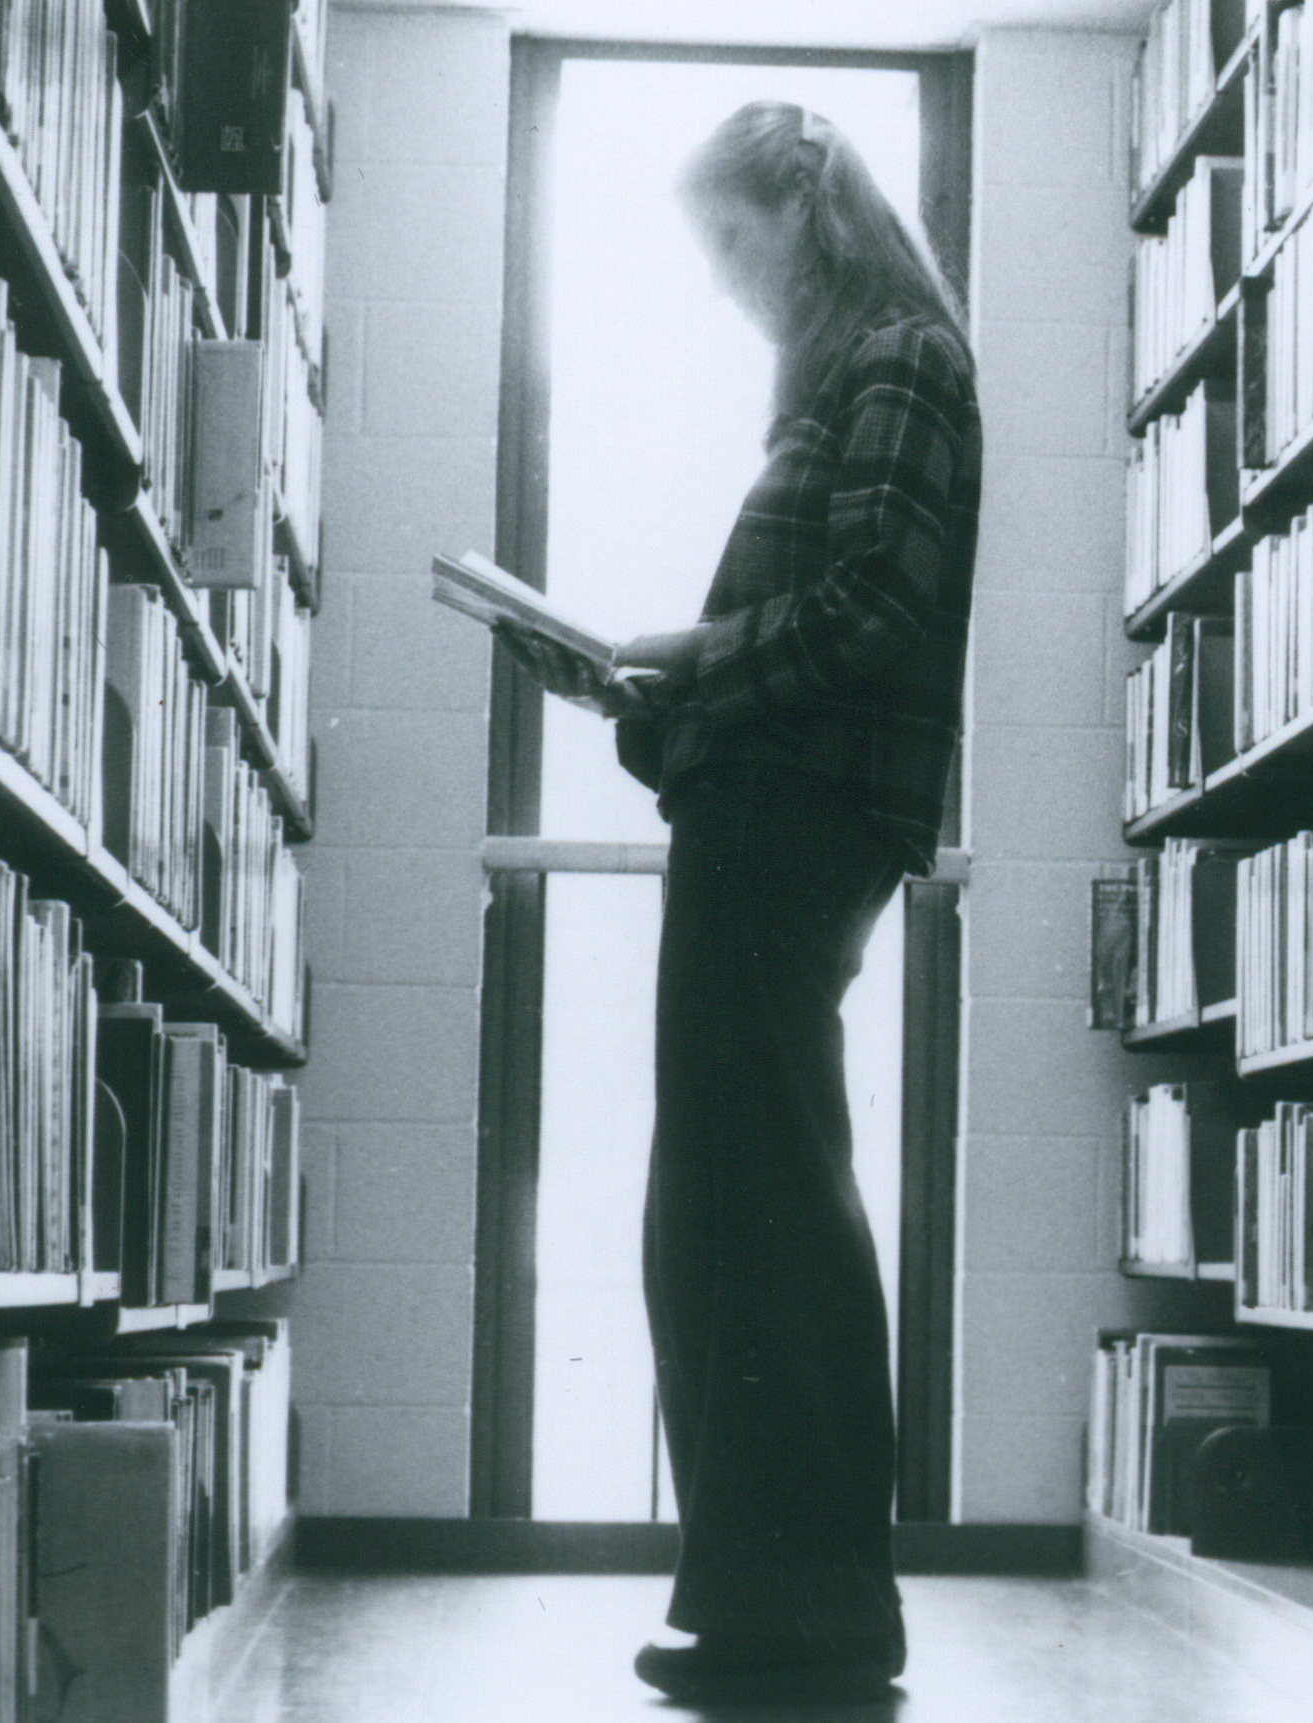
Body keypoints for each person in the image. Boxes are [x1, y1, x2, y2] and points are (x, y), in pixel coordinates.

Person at [498, 98, 980, 1703]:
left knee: (759, 1200)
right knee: (724, 1203)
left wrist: (689, 659)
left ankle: (816, 1603)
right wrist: (636, 689)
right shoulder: (856, 372)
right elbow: (814, 643)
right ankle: (765, 1593)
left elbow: (872, 609)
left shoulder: (900, 354)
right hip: (770, 811)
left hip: (799, 825)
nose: (722, 279)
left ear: (810, 208)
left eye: (730, 240)